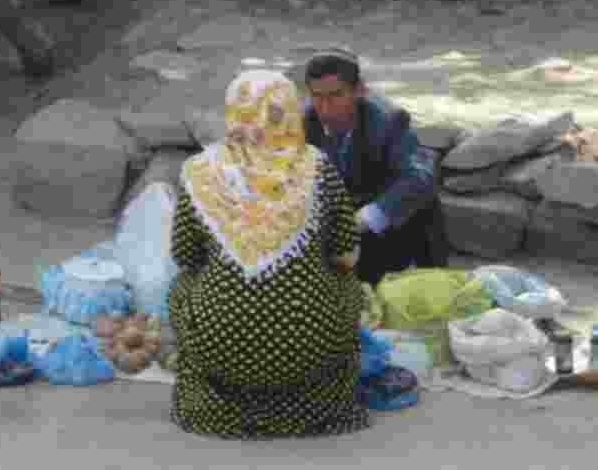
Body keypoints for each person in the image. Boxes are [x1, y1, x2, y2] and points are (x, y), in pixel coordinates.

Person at [166, 69, 369, 440]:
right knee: (351, 288)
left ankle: (216, 401)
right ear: (290, 112)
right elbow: (346, 257)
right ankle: (314, 404)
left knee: (181, 287)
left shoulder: (198, 172)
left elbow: (184, 257)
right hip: (310, 345)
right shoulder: (318, 168)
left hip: (220, 344)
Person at [302, 48, 448, 286]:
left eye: (336, 95)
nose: (326, 108)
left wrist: (365, 219)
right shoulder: (300, 123)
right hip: (335, 225)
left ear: (359, 90)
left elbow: (420, 177)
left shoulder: (389, 120)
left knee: (424, 204)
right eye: (317, 97)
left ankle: (431, 278)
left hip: (386, 224)